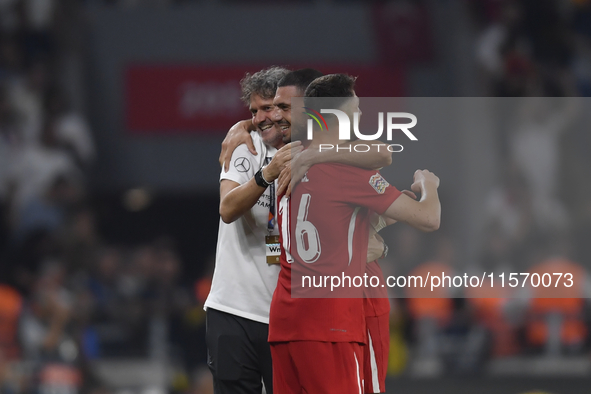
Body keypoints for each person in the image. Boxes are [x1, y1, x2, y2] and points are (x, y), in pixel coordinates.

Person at [270, 74, 441, 393]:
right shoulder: (347, 170)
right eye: (357, 110)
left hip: (285, 321)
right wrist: (429, 186)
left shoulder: (285, 164)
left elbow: (330, 222)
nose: (361, 117)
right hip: (330, 318)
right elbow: (429, 219)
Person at [204, 66, 297, 394]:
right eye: (253, 111)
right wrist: (267, 173)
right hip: (233, 309)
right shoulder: (246, 146)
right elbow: (227, 208)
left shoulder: (313, 152)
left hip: (286, 315)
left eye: (267, 107)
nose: (258, 118)